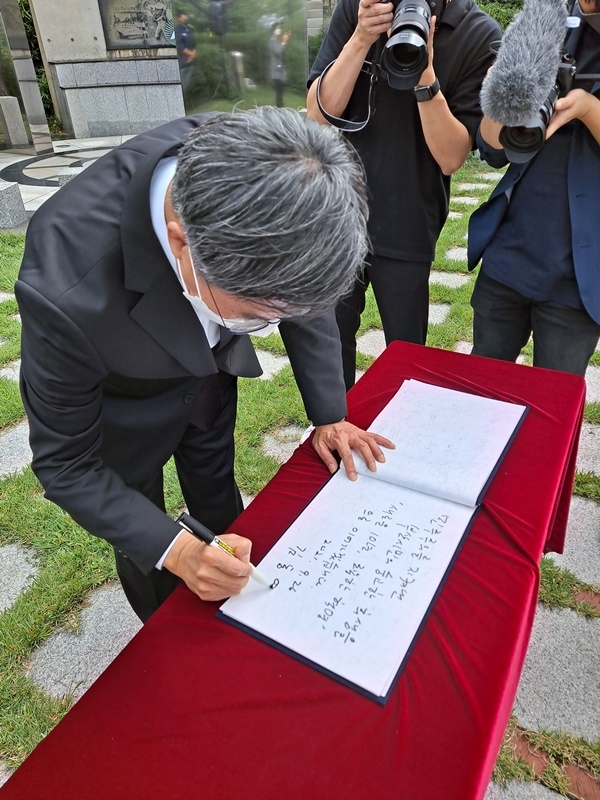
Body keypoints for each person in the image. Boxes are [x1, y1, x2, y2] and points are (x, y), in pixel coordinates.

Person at [16, 107, 394, 623]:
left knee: (218, 493)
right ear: (180, 243)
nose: (273, 323)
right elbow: (66, 464)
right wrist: (176, 550)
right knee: (144, 535)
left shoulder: (274, 160)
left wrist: (329, 413)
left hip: (209, 384)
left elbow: (301, 295)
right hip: (124, 410)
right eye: (257, 316)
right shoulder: (66, 292)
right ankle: (164, 634)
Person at [307, 0, 501, 390]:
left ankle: (402, 437)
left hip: (409, 213)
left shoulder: (478, 33)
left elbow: (451, 158)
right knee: (330, 341)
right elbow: (318, 114)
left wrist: (425, 76)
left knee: (407, 353)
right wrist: (361, 37)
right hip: (338, 210)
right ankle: (333, 430)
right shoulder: (360, 8)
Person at [468, 0, 600, 376]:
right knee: (483, 388)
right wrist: (499, 95)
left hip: (580, 278)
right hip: (510, 255)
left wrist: (586, 107)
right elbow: (492, 149)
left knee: (553, 408)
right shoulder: (547, 19)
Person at [270, 22, 291, 108]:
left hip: (279, 70)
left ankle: (280, 107)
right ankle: (279, 108)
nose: (279, 30)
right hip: (276, 70)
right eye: (277, 28)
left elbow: (282, 51)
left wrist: (284, 41)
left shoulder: (276, 41)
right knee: (279, 91)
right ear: (273, 30)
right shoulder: (272, 41)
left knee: (280, 91)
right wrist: (284, 41)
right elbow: (278, 51)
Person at [174, 11, 196, 92]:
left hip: (189, 63)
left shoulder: (188, 29)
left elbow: (193, 43)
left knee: (186, 87)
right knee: (181, 88)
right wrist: (191, 54)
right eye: (184, 18)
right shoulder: (177, 31)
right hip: (182, 64)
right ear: (179, 18)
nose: (186, 20)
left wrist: (193, 54)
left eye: (186, 18)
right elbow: (180, 47)